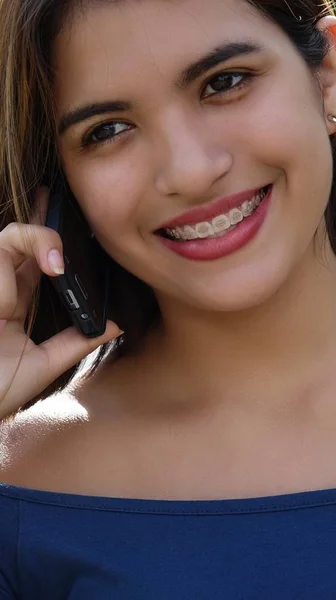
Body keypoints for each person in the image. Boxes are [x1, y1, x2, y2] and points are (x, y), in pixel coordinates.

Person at [1, 0, 336, 596]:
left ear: (328, 76)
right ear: (64, 190)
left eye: (224, 83)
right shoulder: (26, 484)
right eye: (107, 130)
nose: (188, 170)